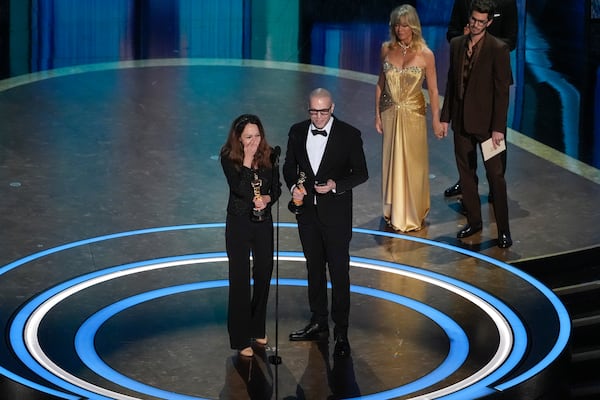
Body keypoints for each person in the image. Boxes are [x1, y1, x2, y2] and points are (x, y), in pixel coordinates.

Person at [283, 88, 368, 358]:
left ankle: (341, 331)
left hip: (337, 217)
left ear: (332, 109)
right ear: (307, 109)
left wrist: (335, 185)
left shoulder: (349, 134)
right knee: (314, 269)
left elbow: (361, 173)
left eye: (323, 111)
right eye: (313, 112)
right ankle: (319, 321)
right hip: (307, 215)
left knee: (339, 273)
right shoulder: (297, 132)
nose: (318, 117)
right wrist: (294, 188)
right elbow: (288, 166)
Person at [440, 0, 513, 248]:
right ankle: (474, 221)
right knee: (466, 175)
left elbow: (502, 92)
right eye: (473, 20)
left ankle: (503, 229)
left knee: (496, 177)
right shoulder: (457, 44)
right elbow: (452, 82)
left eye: (481, 21)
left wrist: (498, 129)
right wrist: (444, 117)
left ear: (489, 22)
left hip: (488, 127)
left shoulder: (497, 48)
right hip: (461, 122)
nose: (475, 24)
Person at [374, 4, 443, 232]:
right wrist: (377, 114)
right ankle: (393, 210)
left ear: (413, 26)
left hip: (414, 114)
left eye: (404, 25)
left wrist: (436, 119)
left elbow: (433, 91)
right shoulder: (386, 48)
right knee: (391, 162)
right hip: (389, 113)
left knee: (413, 164)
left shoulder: (426, 54)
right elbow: (380, 84)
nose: (399, 29)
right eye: (396, 24)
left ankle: (412, 212)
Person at [220, 114, 282, 357]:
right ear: (238, 138)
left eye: (257, 135)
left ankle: (257, 327)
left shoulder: (269, 156)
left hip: (262, 222)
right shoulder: (229, 157)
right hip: (238, 223)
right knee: (240, 279)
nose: (254, 141)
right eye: (248, 137)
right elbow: (239, 189)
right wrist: (246, 159)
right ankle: (240, 337)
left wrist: (266, 199)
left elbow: (275, 189)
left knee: (264, 271)